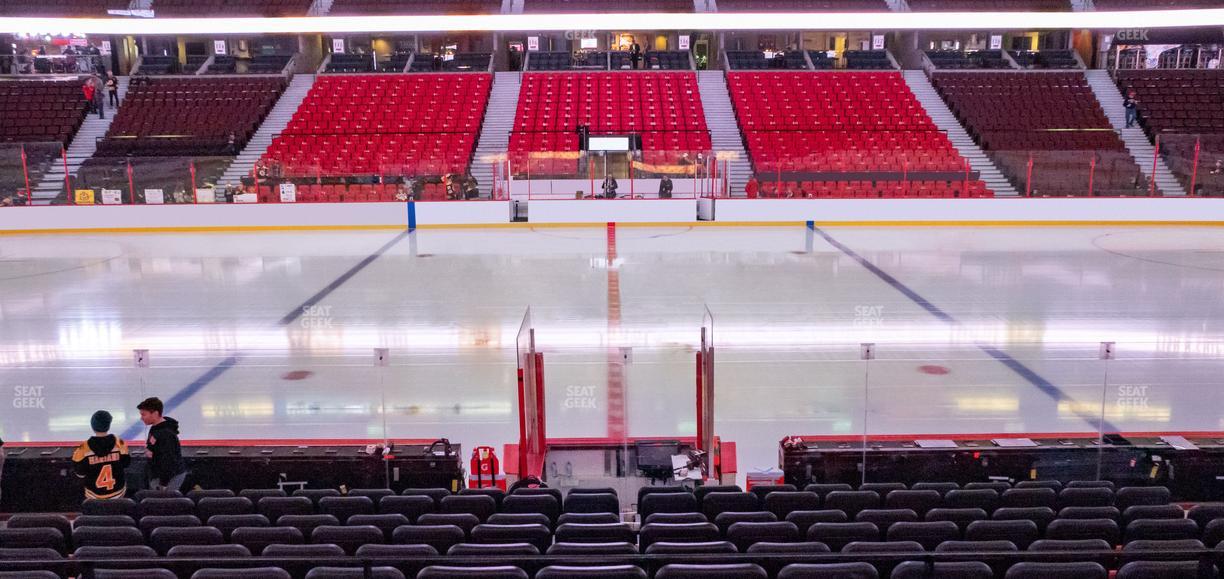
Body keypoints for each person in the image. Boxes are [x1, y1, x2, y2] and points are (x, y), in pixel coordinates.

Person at [71, 410, 131, 500]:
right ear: (109, 425)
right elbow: (126, 464)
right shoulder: (120, 443)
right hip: (118, 494)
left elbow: (80, 473)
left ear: (92, 426)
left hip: (93, 497)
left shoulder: (83, 448)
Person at [138, 397, 187, 492]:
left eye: (144, 414)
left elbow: (169, 461)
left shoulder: (166, 435)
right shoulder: (155, 428)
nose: (141, 418)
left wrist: (163, 484)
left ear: (155, 413)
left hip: (168, 480)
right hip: (159, 475)